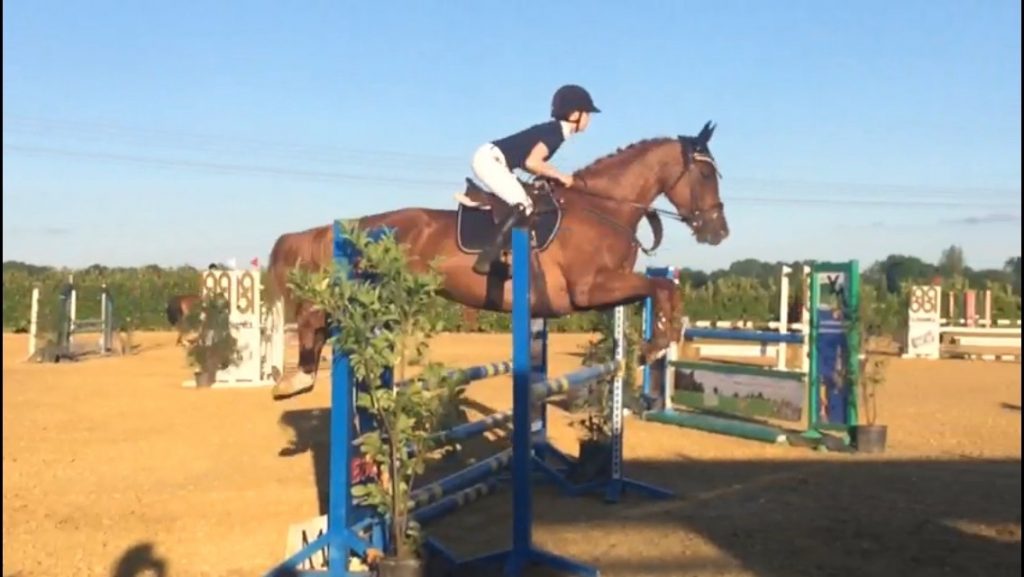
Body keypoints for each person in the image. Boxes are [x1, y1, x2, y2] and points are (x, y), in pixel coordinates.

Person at [469, 84, 600, 274]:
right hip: (489, 160)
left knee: (527, 200)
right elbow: (532, 162)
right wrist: (561, 176)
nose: (589, 119)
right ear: (574, 115)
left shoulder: (554, 130)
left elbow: (526, 161)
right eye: (587, 113)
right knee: (524, 205)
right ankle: (488, 257)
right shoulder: (556, 133)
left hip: (492, 158)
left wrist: (548, 176)